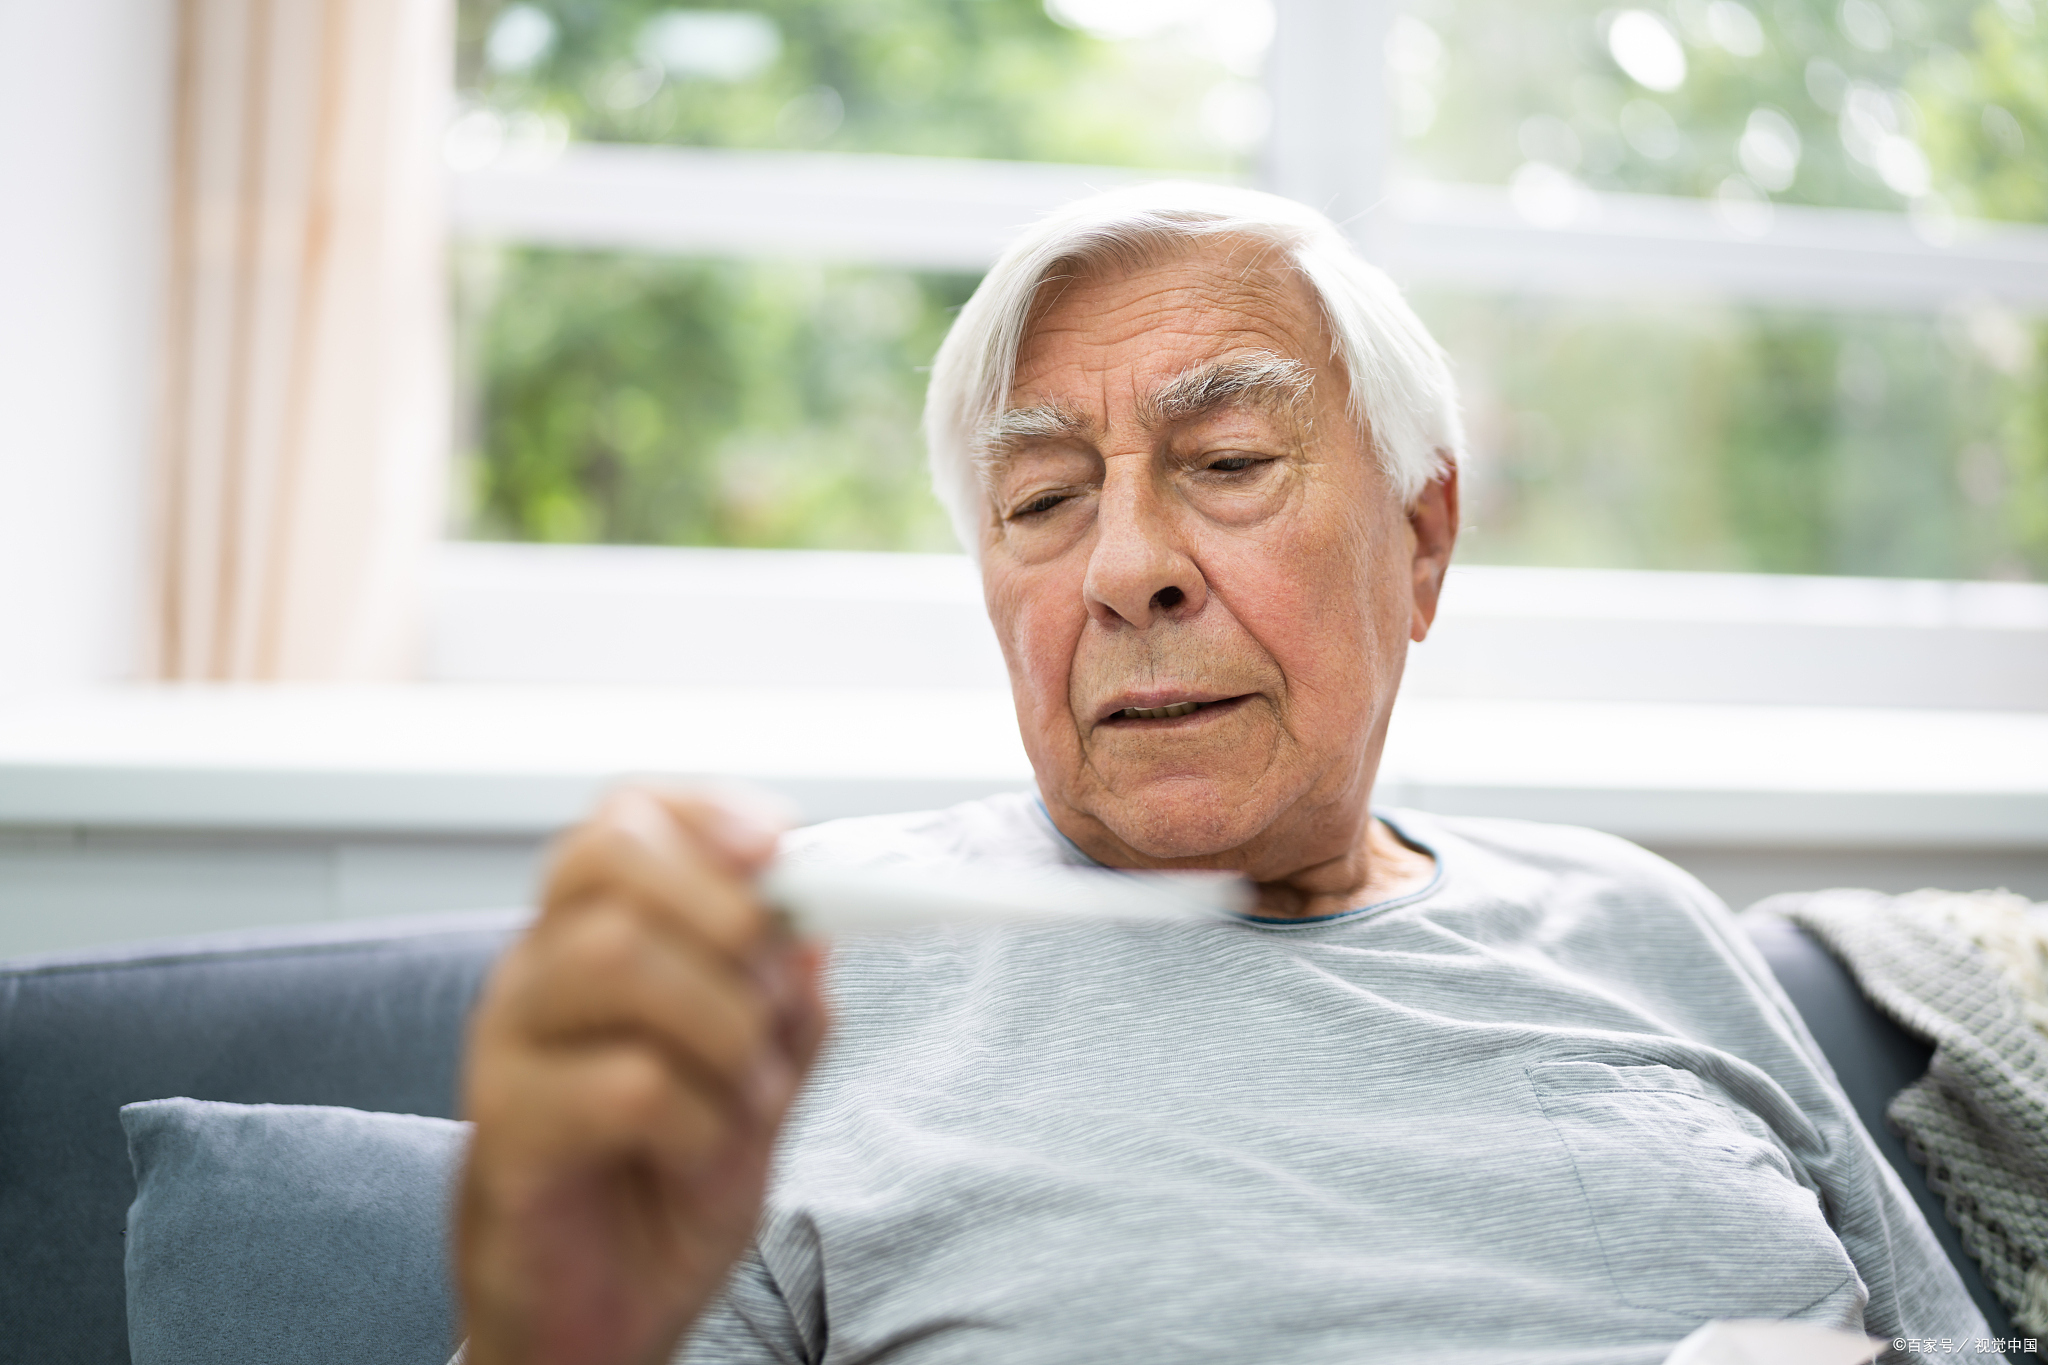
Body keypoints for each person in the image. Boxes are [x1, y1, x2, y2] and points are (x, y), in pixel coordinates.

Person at [453, 184, 1992, 1365]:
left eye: (1232, 463)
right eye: (1045, 497)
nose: (1127, 568)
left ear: (1424, 535)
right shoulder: (791, 979)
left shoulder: (1641, 922)